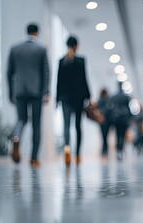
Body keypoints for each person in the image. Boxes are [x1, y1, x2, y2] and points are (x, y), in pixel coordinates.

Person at [7, 23, 50, 168]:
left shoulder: (15, 49)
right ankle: (34, 158)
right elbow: (46, 73)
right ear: (36, 33)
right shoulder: (41, 49)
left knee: (21, 119)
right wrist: (46, 92)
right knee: (36, 124)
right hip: (36, 91)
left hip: (19, 90)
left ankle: (16, 136)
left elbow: (9, 73)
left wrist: (11, 92)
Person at [56, 35, 90, 167]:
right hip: (78, 99)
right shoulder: (81, 61)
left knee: (66, 126)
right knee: (77, 127)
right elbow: (84, 79)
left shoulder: (61, 61)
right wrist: (88, 96)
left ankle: (67, 151)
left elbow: (58, 81)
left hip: (65, 98)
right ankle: (78, 155)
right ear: (76, 46)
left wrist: (57, 98)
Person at [109, 82, 132, 160]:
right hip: (124, 119)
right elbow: (129, 109)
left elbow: (111, 108)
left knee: (118, 135)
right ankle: (121, 150)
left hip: (116, 119)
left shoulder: (113, 97)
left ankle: (118, 151)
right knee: (122, 135)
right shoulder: (126, 97)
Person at [98, 88, 111, 156]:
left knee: (103, 136)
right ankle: (105, 149)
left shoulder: (99, 100)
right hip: (106, 121)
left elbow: (98, 109)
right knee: (105, 136)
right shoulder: (107, 100)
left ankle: (104, 149)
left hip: (101, 121)